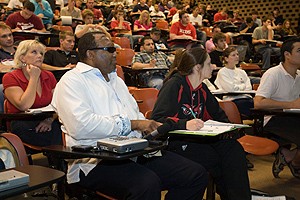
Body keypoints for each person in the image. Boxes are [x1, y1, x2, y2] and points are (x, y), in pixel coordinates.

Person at [51, 31, 208, 200]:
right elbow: (80, 127)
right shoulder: (72, 81)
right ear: (90, 54)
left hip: (135, 151)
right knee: (147, 183)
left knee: (195, 174)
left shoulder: (116, 80)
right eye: (109, 49)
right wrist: (134, 124)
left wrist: (149, 126)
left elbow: (136, 115)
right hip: (94, 161)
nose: (115, 53)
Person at [151, 47, 251, 200]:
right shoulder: (175, 85)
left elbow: (218, 115)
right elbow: (158, 119)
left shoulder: (202, 88)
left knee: (233, 149)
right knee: (216, 160)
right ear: (198, 67)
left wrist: (230, 129)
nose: (213, 66)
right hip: (176, 141)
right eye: (209, 63)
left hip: (200, 139)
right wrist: (185, 124)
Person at [254, 37, 300, 179]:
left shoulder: (299, 75)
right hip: (274, 119)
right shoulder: (273, 73)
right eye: (299, 50)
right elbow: (258, 103)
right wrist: (291, 105)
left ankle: (289, 156)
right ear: (287, 55)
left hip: (294, 118)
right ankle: (295, 162)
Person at [2, 40, 62, 147]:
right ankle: (59, 159)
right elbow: (24, 105)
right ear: (22, 57)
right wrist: (34, 78)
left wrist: (49, 120)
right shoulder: (10, 77)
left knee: (64, 128)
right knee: (57, 135)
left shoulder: (49, 76)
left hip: (48, 118)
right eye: (34, 52)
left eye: (41, 53)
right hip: (22, 121)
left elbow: (59, 103)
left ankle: (59, 159)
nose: (39, 56)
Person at [214, 46, 254, 118]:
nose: (237, 57)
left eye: (237, 54)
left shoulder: (241, 71)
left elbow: (249, 88)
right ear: (226, 58)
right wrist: (243, 86)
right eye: (233, 55)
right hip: (232, 101)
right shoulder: (222, 72)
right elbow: (231, 89)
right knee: (249, 105)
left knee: (256, 103)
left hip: (247, 98)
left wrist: (238, 87)